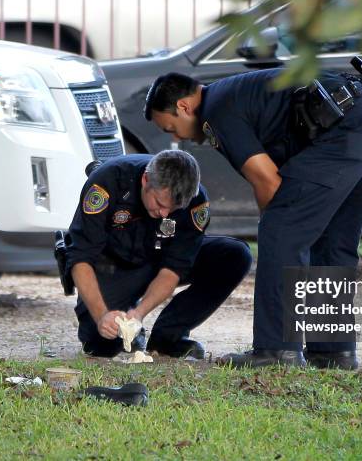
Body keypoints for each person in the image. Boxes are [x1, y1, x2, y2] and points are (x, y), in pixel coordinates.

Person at [145, 70, 362, 368]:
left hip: (348, 128)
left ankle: (277, 350)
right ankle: (334, 354)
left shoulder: (216, 112)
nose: (176, 137)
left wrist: (277, 230)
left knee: (281, 233)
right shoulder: (234, 94)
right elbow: (267, 182)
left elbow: (267, 181)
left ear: (184, 107)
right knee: (332, 242)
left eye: (171, 128)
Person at [66, 150, 252, 358]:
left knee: (235, 256)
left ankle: (169, 337)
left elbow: (173, 268)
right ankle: (126, 328)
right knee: (102, 343)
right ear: (146, 180)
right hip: (114, 265)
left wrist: (138, 315)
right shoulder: (108, 182)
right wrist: (102, 315)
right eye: (161, 204)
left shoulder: (196, 200)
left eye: (173, 209)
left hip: (160, 258)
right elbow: (81, 258)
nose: (165, 214)